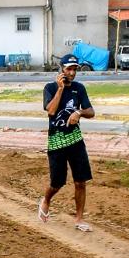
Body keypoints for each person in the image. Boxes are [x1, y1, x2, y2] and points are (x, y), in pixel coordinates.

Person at [38, 54, 95, 232]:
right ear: (61, 69)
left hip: (75, 141)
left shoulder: (80, 88)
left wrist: (79, 113)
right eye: (68, 69)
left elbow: (91, 111)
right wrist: (61, 89)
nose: (72, 73)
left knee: (81, 181)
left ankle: (79, 219)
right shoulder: (50, 88)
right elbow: (51, 111)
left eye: (74, 69)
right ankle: (46, 200)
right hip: (56, 142)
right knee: (57, 182)